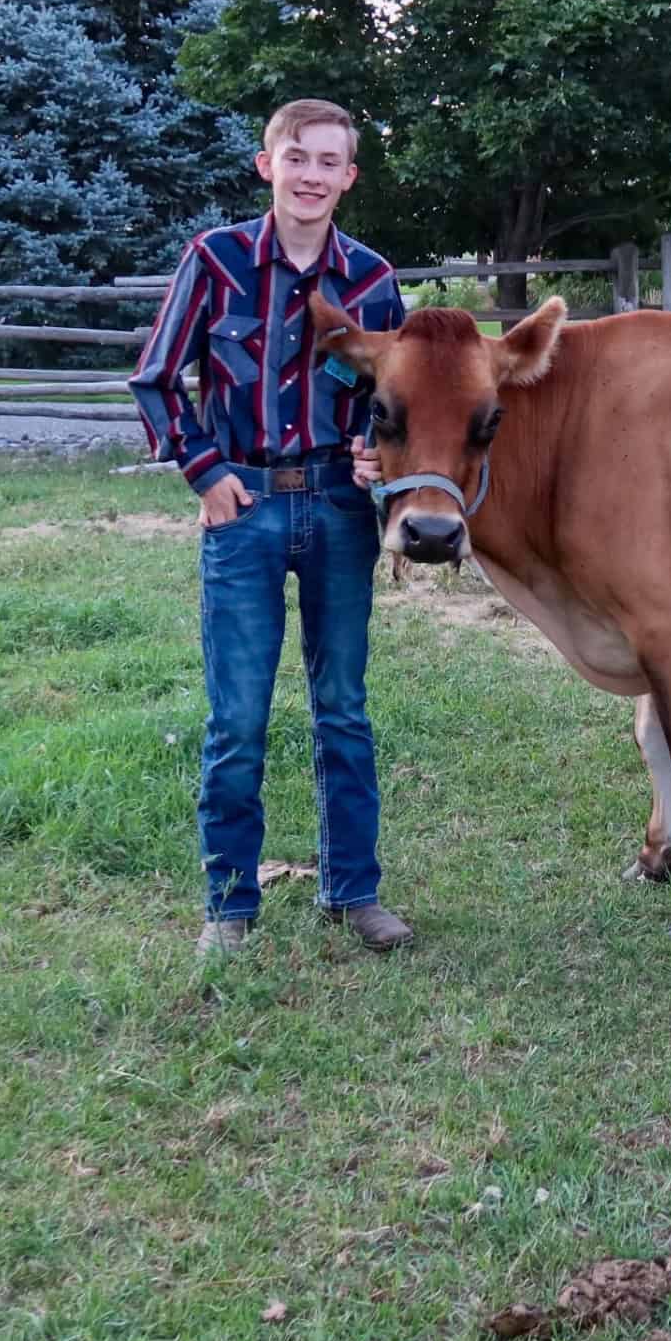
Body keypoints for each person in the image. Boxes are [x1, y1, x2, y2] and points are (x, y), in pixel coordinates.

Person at [129, 98, 413, 957]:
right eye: (299, 158)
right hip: (244, 510)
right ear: (268, 165)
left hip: (335, 507)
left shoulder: (371, 280)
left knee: (343, 709)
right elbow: (156, 379)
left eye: (331, 162)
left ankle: (354, 890)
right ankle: (229, 901)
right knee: (238, 718)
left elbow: (388, 396)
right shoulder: (214, 261)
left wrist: (373, 451)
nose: (312, 175)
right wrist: (203, 470)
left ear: (349, 177)